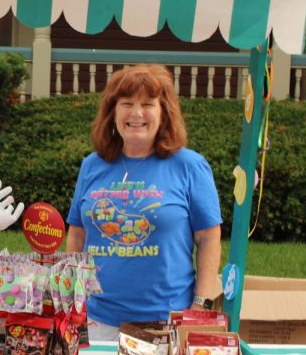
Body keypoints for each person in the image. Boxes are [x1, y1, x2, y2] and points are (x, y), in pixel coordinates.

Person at [66, 64, 222, 340]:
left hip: (164, 322)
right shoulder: (92, 166)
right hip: (95, 320)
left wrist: (200, 306)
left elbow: (209, 238)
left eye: (148, 104)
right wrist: (71, 298)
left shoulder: (189, 166)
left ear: (163, 114)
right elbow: (77, 235)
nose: (136, 113)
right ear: (113, 112)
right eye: (126, 103)